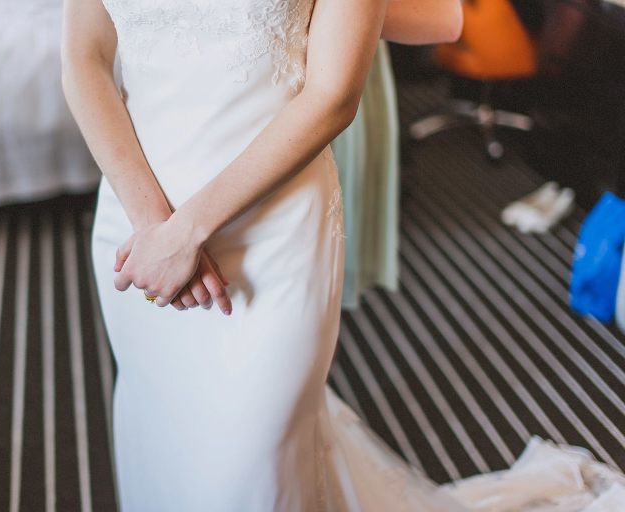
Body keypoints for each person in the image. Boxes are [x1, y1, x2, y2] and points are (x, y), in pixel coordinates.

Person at [60, 0, 625, 510]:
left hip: (271, 232)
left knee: (247, 470)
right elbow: (84, 58)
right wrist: (154, 225)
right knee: (165, 433)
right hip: (136, 217)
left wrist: (186, 233)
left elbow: (333, 97)